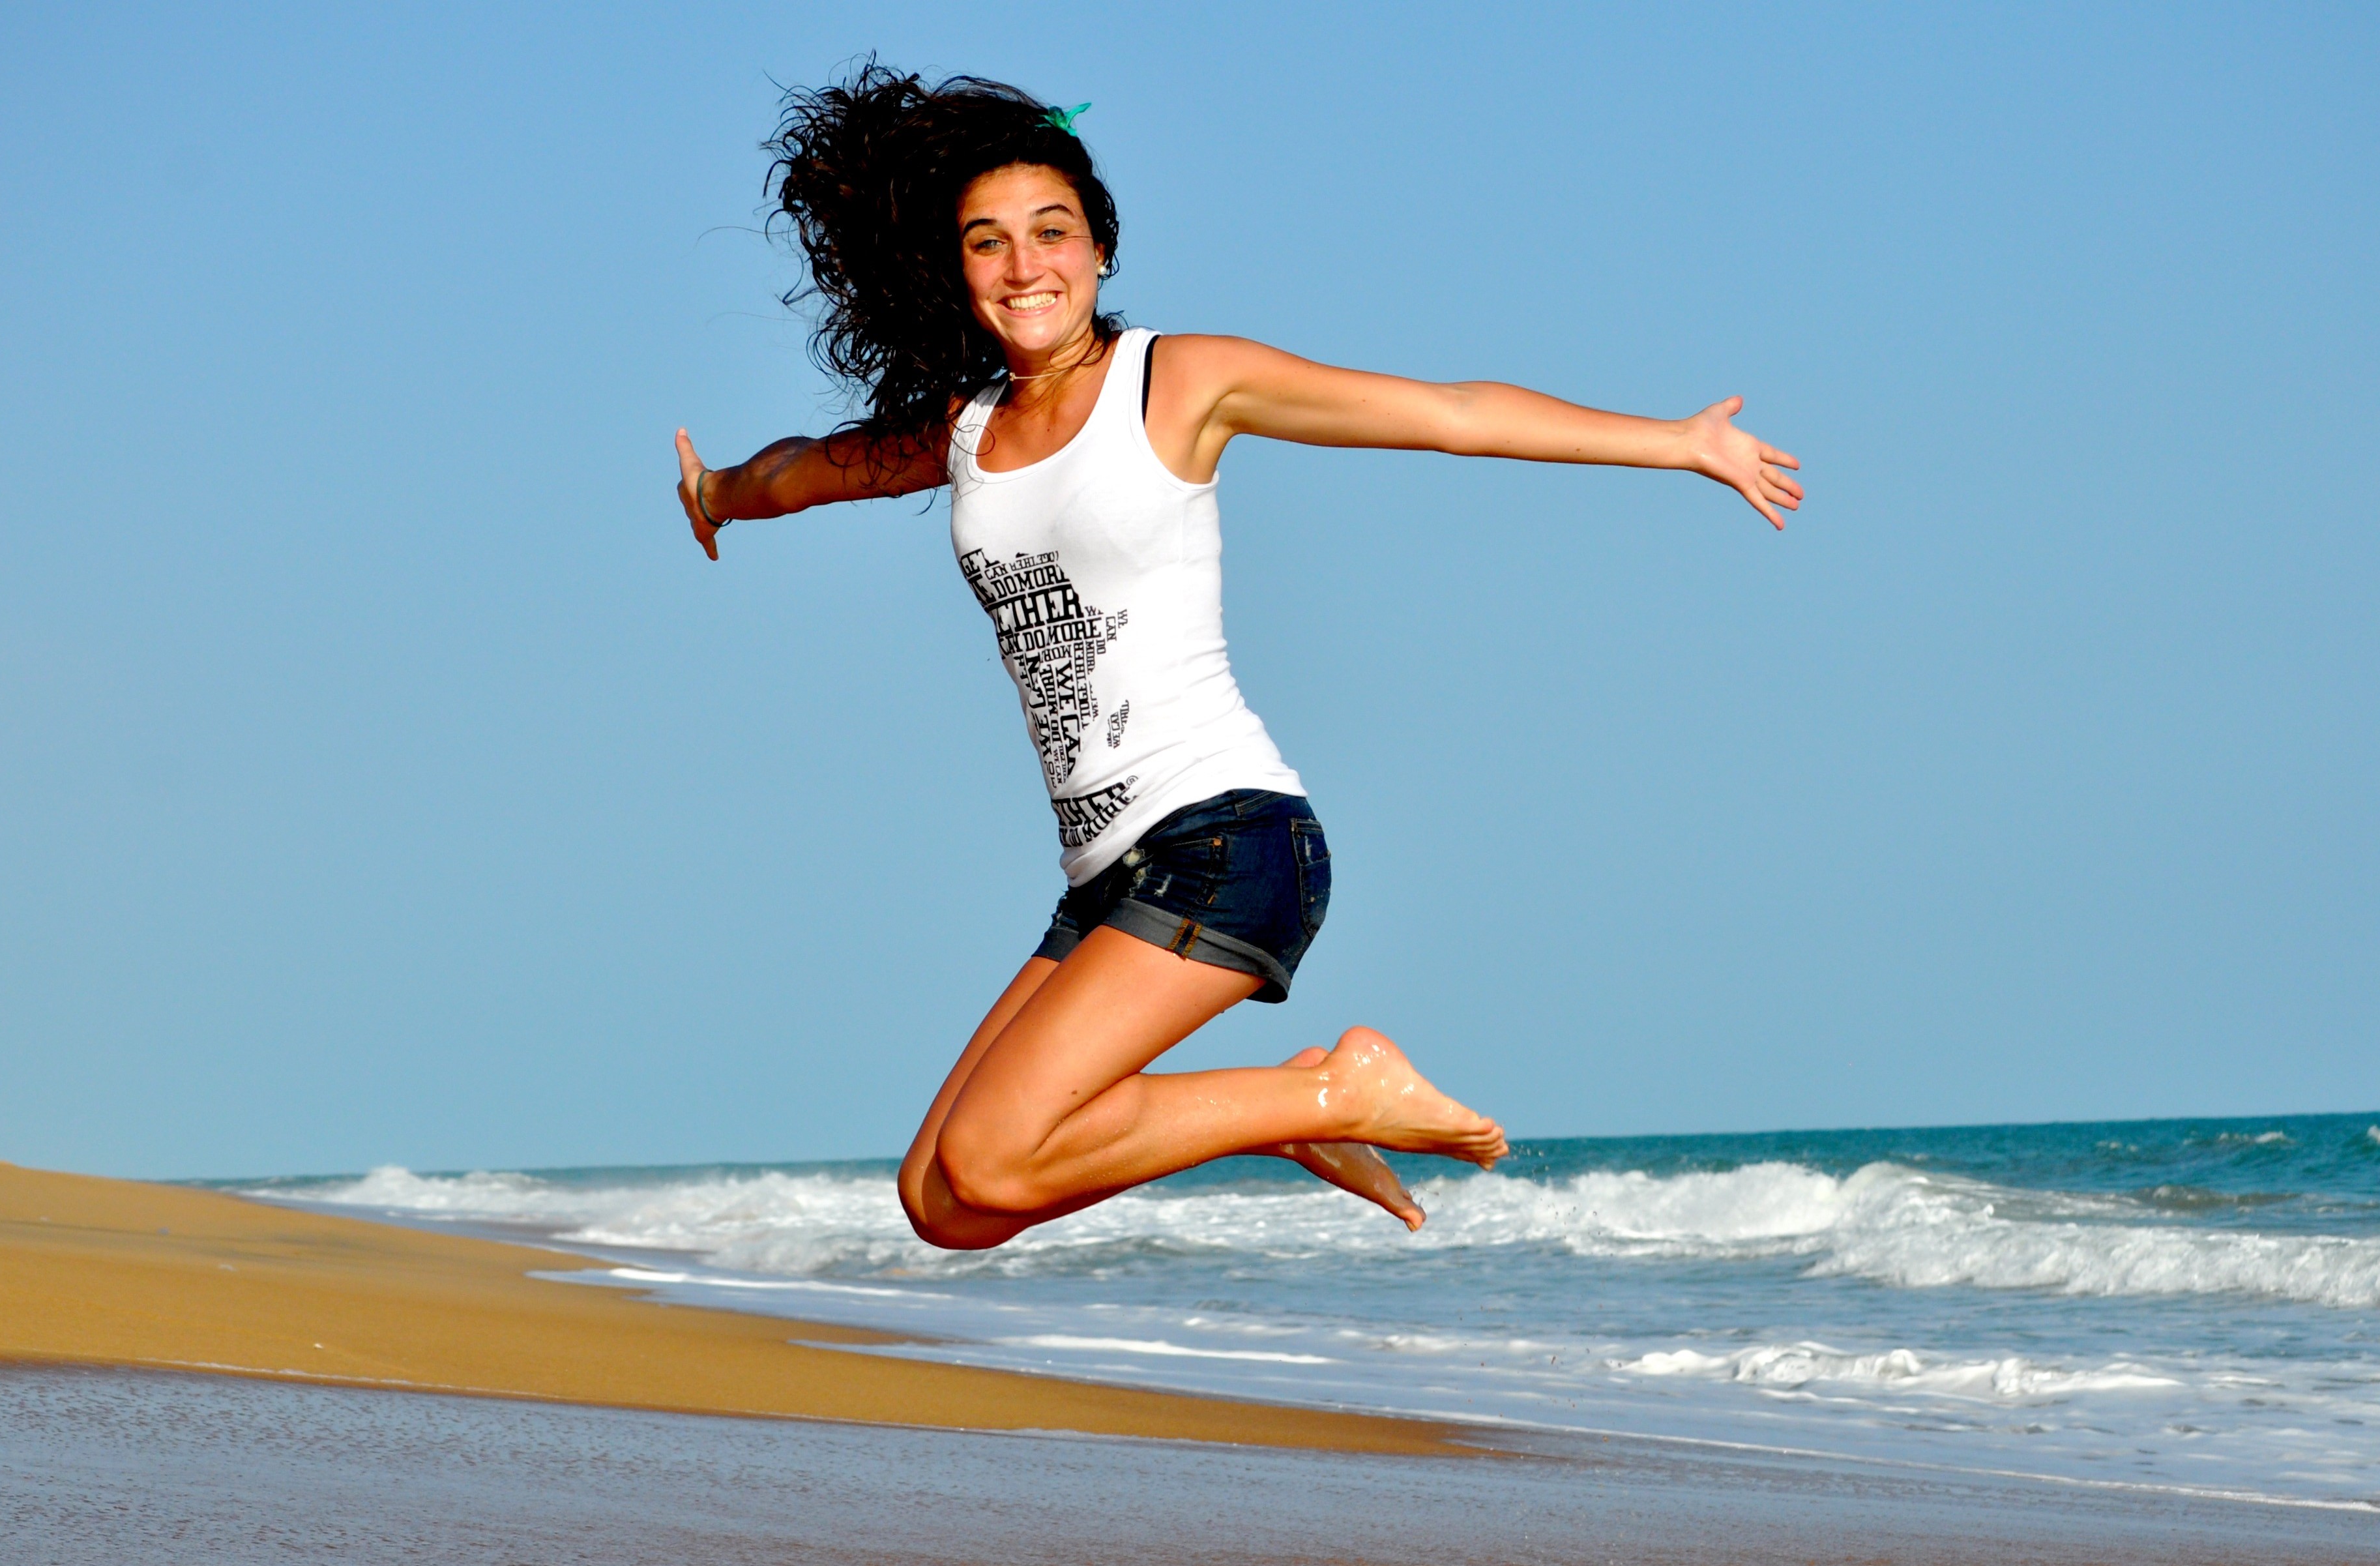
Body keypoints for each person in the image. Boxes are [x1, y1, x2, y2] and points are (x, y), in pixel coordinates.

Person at [673, 67, 1802, 1252]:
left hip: (1226, 840)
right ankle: (1285, 1110)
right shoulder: (967, 433)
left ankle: (1331, 1090)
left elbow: (1447, 412)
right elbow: (806, 469)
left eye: (1052, 233)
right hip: (1109, 873)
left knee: (996, 1153)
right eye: (988, 242)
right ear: (954, 272)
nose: (1025, 267)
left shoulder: (1177, 382)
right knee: (944, 1199)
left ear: (1099, 247)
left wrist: (1677, 444)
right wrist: (716, 493)